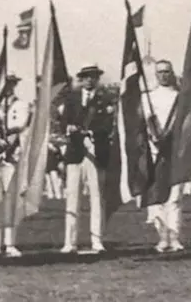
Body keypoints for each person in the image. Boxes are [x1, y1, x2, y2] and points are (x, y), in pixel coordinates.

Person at [55, 65, 113, 254]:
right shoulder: (72, 98)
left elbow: (107, 124)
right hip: (75, 152)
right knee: (72, 197)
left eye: (93, 77)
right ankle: (69, 242)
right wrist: (69, 128)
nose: (89, 80)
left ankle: (96, 240)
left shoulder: (105, 98)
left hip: (96, 151)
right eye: (86, 77)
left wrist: (90, 133)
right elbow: (63, 122)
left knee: (97, 197)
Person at [0, 73, 31, 257]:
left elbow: (19, 124)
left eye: (10, 85)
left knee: (11, 202)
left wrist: (3, 132)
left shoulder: (21, 105)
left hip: (12, 155)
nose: (7, 88)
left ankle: (10, 243)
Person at [145, 59, 182, 252]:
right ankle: (162, 237)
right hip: (154, 151)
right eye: (160, 72)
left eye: (167, 71)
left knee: (174, 197)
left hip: (174, 150)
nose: (164, 75)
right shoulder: (148, 98)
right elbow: (146, 122)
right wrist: (154, 136)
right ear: (155, 75)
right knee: (156, 196)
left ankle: (174, 237)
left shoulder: (179, 97)